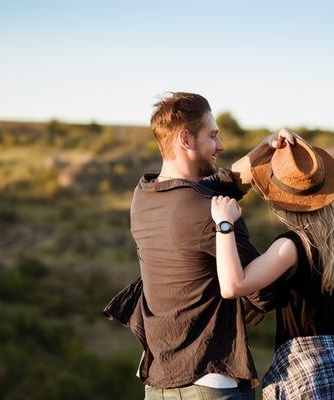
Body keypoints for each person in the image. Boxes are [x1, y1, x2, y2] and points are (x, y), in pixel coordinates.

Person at [108, 92, 294, 400]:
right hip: (210, 386)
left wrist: (267, 147)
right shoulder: (208, 212)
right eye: (213, 136)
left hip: (159, 386)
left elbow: (222, 182)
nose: (220, 146)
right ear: (186, 139)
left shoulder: (145, 195)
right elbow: (263, 292)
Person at [210, 135, 334, 399]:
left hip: (307, 375)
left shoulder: (291, 246)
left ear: (279, 201)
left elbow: (232, 286)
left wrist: (224, 225)